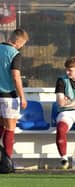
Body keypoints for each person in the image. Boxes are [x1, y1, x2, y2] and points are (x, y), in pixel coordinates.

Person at [0, 28, 28, 166]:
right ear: (17, 41)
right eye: (22, 44)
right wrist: (22, 96)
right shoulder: (15, 54)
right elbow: (16, 77)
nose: (22, 47)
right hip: (8, 96)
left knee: (0, 127)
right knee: (10, 129)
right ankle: (7, 163)